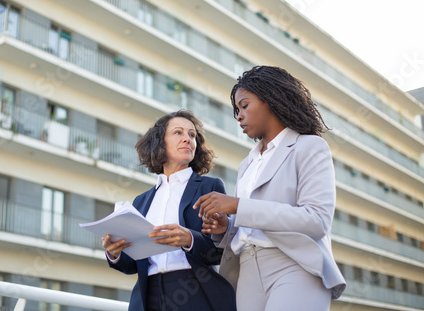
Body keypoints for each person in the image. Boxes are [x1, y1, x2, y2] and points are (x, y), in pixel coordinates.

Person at [193, 66, 346, 311]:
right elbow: (250, 228)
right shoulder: (247, 164)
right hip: (247, 272)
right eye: (236, 109)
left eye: (244, 105)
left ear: (270, 100)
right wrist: (226, 227)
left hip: (295, 265)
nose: (238, 116)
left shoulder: (309, 147)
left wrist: (238, 206)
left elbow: (316, 220)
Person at [102, 110, 236, 311]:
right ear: (160, 142)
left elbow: (220, 251)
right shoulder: (141, 201)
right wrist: (115, 253)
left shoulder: (209, 187)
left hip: (195, 289)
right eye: (178, 133)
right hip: (149, 295)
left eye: (192, 135)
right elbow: (132, 265)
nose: (187, 139)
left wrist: (190, 240)